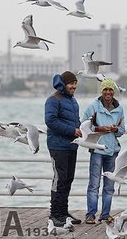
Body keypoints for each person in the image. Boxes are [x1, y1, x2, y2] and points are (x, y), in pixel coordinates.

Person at [82, 79, 125, 225]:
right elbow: (83, 127)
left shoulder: (119, 109)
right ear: (101, 91)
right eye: (105, 89)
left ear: (114, 91)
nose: (108, 92)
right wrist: (98, 129)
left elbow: (122, 130)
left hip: (112, 151)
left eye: (111, 89)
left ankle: (105, 214)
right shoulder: (93, 107)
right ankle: (90, 215)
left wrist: (115, 129)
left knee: (109, 186)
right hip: (97, 150)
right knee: (94, 184)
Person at [44, 71, 83, 229]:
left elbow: (75, 121)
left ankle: (63, 212)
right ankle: (55, 215)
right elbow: (50, 121)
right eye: (71, 84)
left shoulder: (72, 101)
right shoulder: (53, 100)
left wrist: (81, 129)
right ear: (64, 84)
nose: (74, 86)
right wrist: (72, 131)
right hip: (57, 146)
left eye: (75, 83)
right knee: (59, 180)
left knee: (68, 179)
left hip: (71, 145)